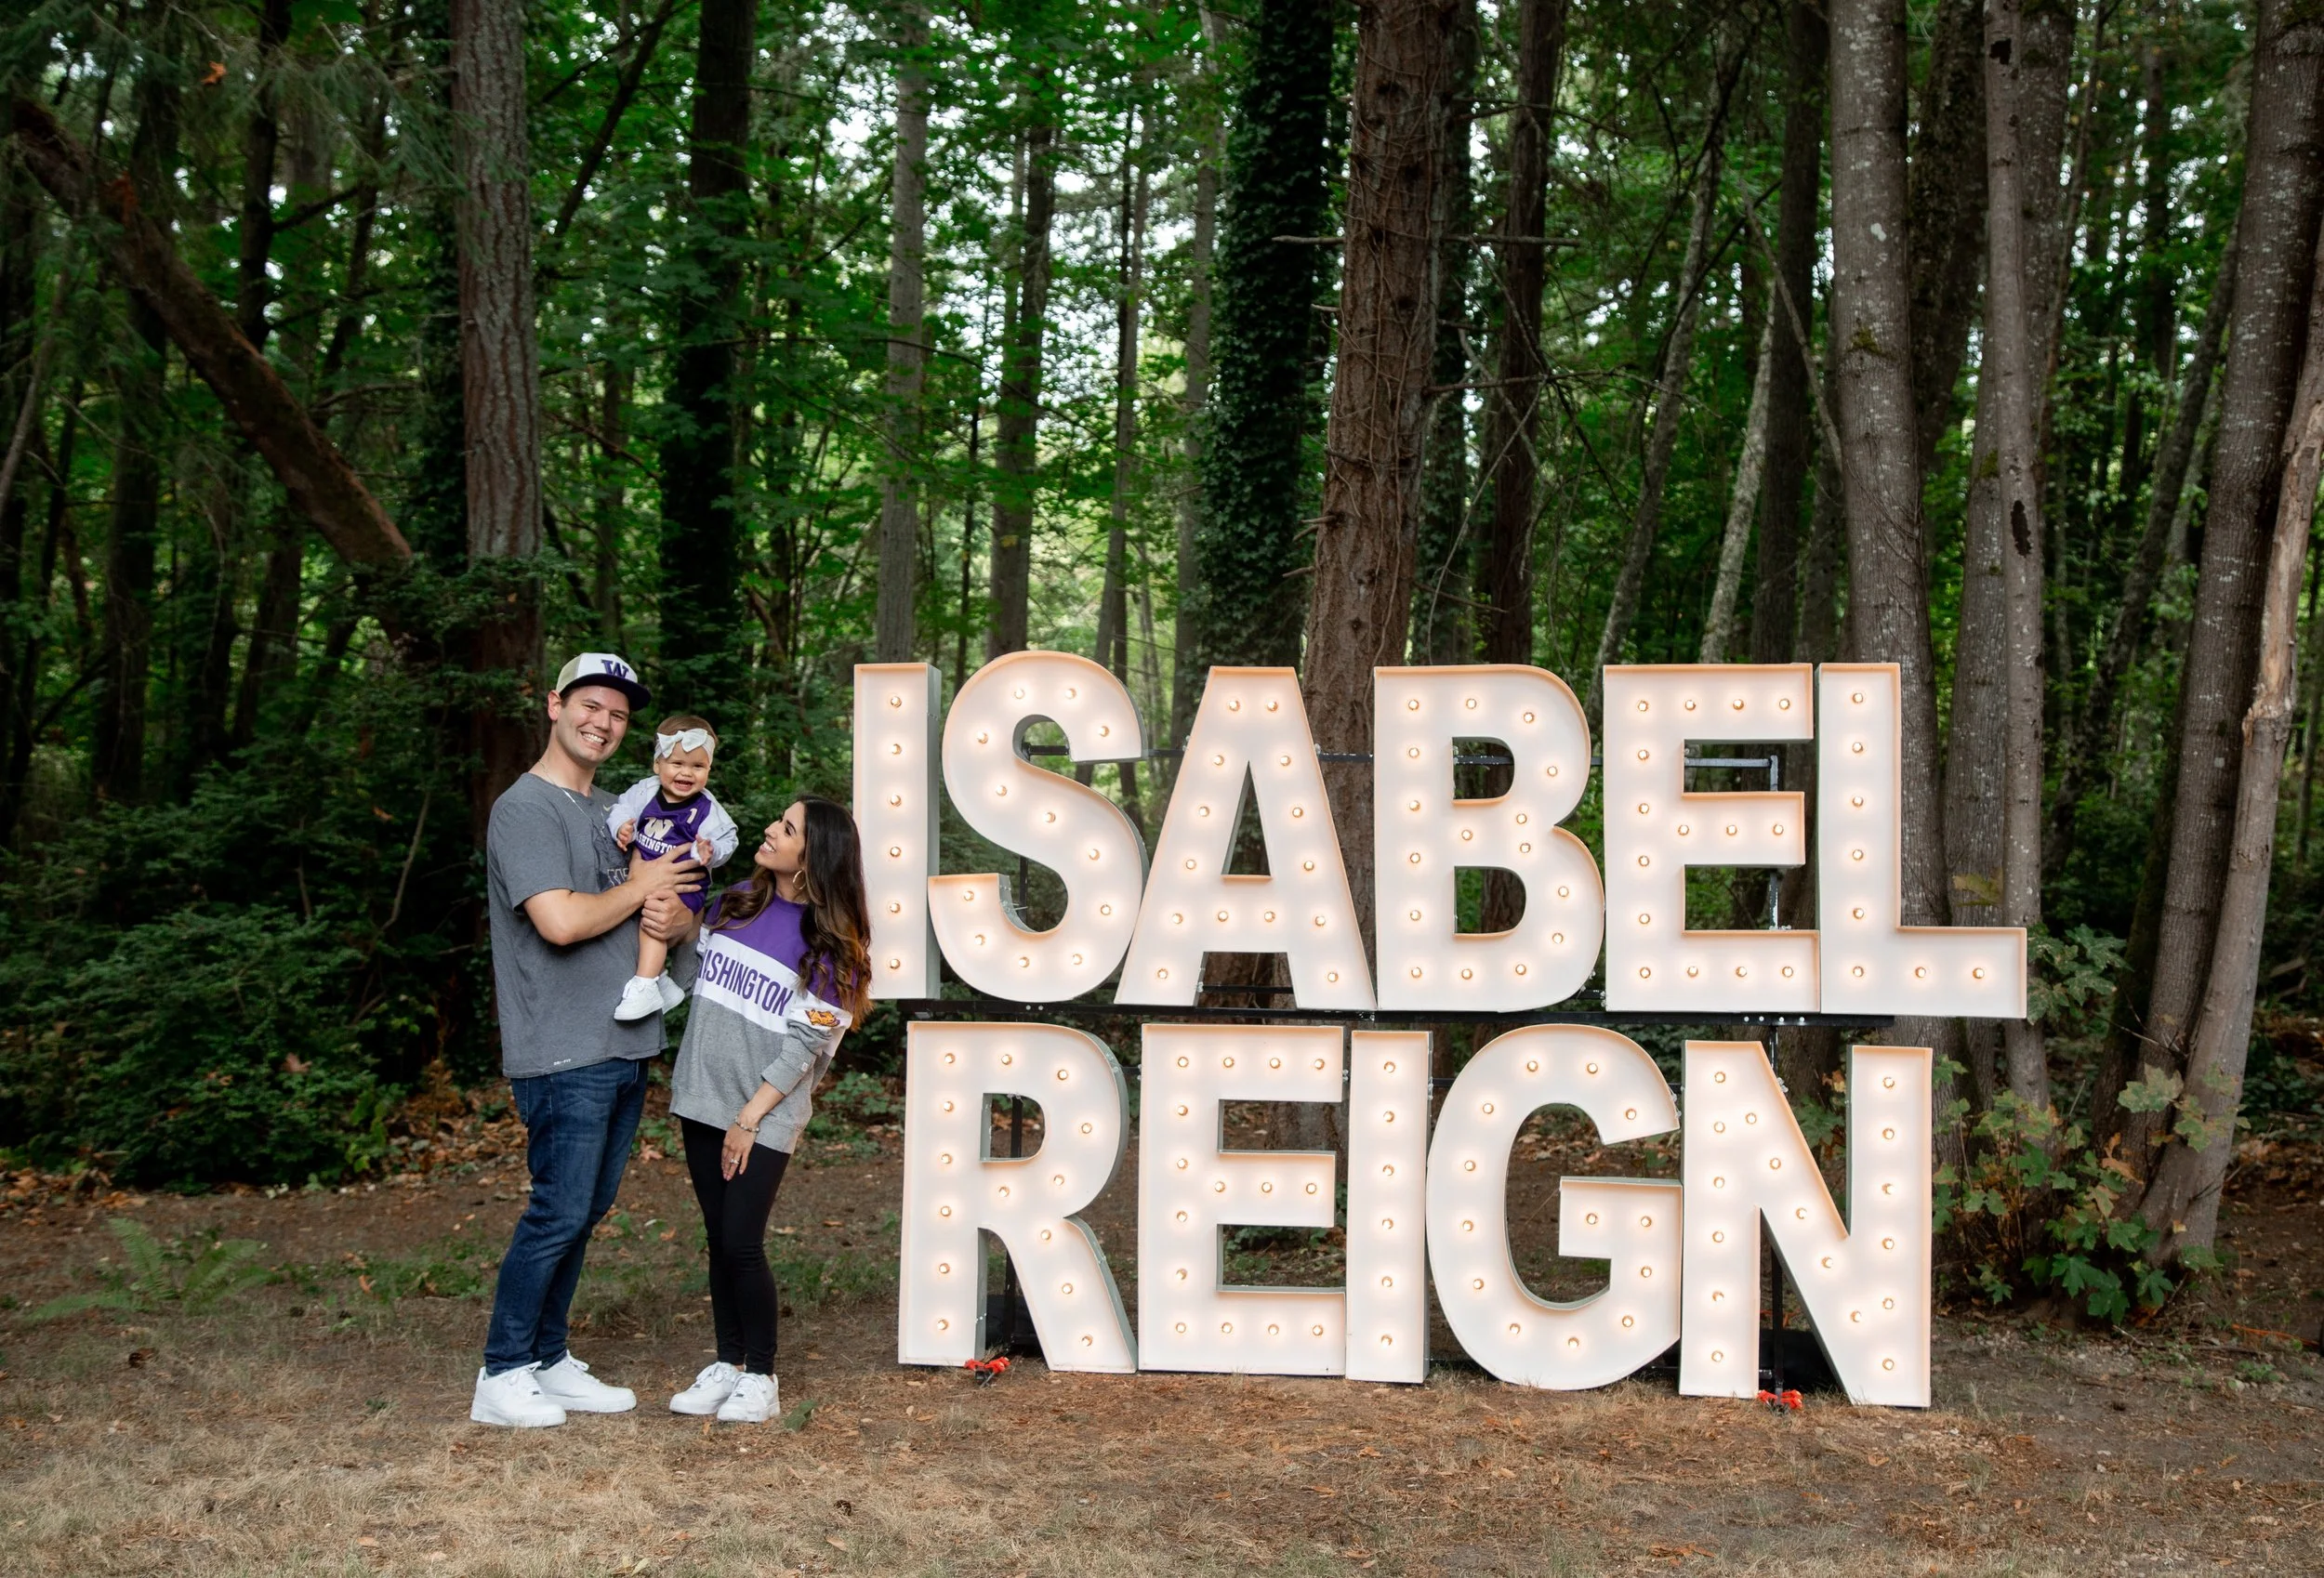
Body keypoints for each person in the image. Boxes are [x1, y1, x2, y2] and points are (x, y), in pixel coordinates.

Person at [470, 652, 706, 1429]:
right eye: (590, 706)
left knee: (586, 1208)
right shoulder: (525, 809)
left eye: (619, 715)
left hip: (623, 1041)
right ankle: (503, 1370)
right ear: (555, 705)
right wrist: (643, 887)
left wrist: (678, 917)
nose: (603, 723)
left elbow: (665, 914)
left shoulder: (619, 809)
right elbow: (562, 921)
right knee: (559, 1209)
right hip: (562, 1046)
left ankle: (547, 1358)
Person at [658, 796, 870, 1425]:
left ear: (813, 855)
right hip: (702, 1095)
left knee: (743, 1243)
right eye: (778, 821)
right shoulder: (734, 904)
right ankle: (728, 1363)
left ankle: (761, 1376)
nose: (771, 830)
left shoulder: (830, 944)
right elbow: (687, 976)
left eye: (787, 827)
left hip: (763, 1113)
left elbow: (805, 1046)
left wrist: (749, 1118)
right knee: (718, 1239)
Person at [606, 714, 739, 1022]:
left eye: (698, 766)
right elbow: (621, 807)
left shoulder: (707, 809)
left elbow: (728, 838)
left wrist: (710, 850)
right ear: (658, 764)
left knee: (655, 915)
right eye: (677, 763)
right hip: (647, 875)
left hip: (684, 883)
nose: (686, 773)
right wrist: (621, 827)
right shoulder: (646, 791)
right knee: (633, 915)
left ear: (709, 770)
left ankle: (644, 984)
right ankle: (660, 980)